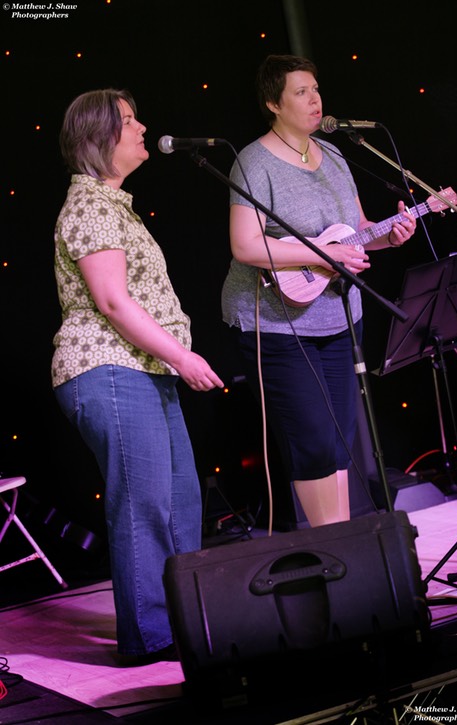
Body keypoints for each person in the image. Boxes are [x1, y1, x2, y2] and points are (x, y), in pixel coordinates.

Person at [52, 88, 224, 664]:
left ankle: (188, 620)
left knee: (181, 498)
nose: (142, 127)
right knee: (145, 503)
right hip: (107, 368)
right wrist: (183, 356)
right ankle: (150, 638)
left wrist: (171, 359)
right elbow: (114, 303)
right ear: (100, 137)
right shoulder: (89, 207)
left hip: (144, 369)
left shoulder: (114, 205)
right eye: (129, 121)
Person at [221, 54, 416, 528]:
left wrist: (387, 235)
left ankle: (347, 542)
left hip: (337, 315)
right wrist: (318, 256)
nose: (315, 99)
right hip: (276, 321)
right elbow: (246, 245)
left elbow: (354, 231)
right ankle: (333, 547)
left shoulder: (336, 156)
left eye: (315, 89)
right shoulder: (253, 161)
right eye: (300, 92)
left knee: (339, 437)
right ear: (273, 103)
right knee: (312, 437)